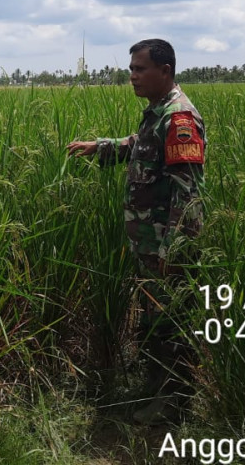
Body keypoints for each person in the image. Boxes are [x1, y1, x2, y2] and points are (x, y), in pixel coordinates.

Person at [66, 38, 205, 425]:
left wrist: (173, 254)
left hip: (164, 250)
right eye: (131, 69)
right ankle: (157, 391)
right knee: (153, 322)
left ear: (166, 71)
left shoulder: (179, 118)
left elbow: (189, 195)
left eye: (140, 69)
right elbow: (141, 146)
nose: (132, 76)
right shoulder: (156, 113)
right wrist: (103, 147)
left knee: (169, 325)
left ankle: (174, 405)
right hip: (148, 246)